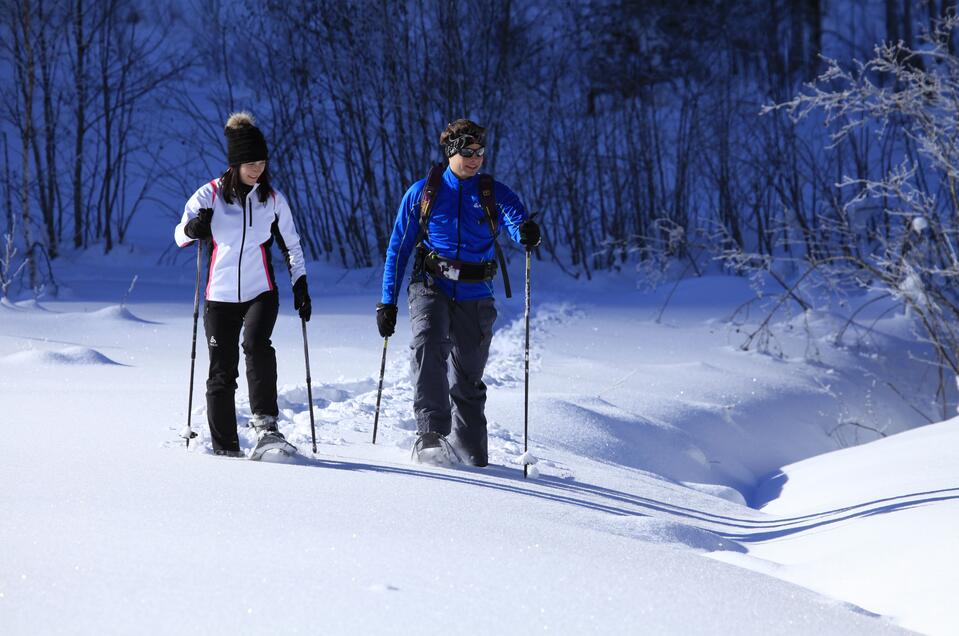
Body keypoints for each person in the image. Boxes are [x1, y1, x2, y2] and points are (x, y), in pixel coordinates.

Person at [377, 119, 542, 466]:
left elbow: (515, 220)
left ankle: (471, 454)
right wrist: (387, 302)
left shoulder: (492, 192)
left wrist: (526, 231)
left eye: (480, 152)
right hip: (431, 284)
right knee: (428, 343)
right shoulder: (423, 193)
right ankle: (431, 436)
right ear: (451, 152)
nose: (475, 158)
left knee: (467, 375)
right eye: (467, 151)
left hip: (475, 291)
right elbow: (398, 249)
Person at [174, 111, 311, 458]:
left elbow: (292, 245)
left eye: (262, 162)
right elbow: (179, 234)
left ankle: (266, 426)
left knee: (256, 344)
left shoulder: (272, 199)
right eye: (250, 162)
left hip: (260, 291)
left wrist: (301, 284)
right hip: (219, 296)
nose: (257, 169)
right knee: (222, 370)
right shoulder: (210, 195)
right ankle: (225, 448)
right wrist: (193, 230)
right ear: (235, 163)